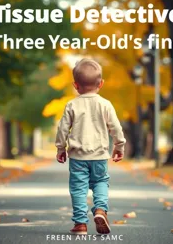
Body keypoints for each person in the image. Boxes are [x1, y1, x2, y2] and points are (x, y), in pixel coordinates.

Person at [55, 58, 126, 235]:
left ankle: (80, 224)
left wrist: (60, 147)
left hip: (78, 157)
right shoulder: (105, 104)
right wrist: (119, 145)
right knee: (100, 182)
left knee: (78, 189)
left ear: (75, 85)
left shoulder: (72, 104)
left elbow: (63, 128)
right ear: (101, 83)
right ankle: (101, 210)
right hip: (100, 156)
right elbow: (115, 127)